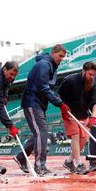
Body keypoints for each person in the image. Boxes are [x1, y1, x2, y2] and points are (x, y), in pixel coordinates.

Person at [13, 44, 69, 176]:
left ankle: (21, 157)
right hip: (33, 102)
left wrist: (59, 100)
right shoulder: (44, 65)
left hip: (39, 104)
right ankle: (40, 166)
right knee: (42, 133)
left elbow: (49, 88)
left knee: (39, 133)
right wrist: (59, 104)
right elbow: (44, 88)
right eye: (60, 55)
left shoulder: (51, 66)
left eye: (63, 57)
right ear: (53, 53)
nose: (61, 59)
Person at [58, 61, 96, 175]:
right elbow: (58, 95)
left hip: (84, 114)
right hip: (69, 113)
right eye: (90, 74)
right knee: (75, 135)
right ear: (83, 71)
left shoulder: (94, 83)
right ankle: (79, 164)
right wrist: (63, 108)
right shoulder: (70, 80)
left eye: (94, 75)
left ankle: (69, 161)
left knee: (84, 139)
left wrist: (93, 117)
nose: (92, 77)